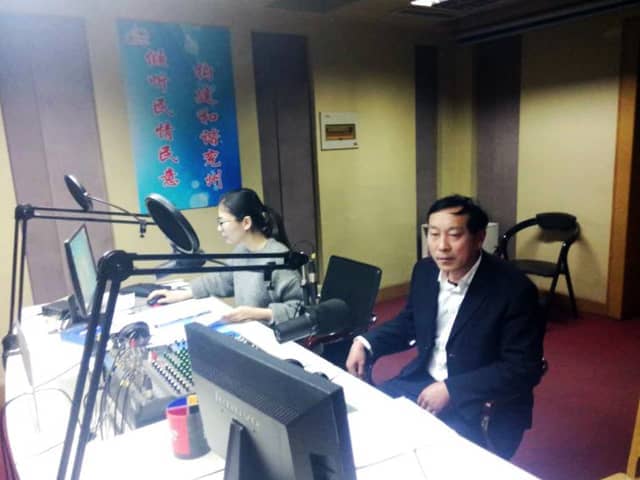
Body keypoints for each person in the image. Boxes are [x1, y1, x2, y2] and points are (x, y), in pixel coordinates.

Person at [345, 194, 545, 459]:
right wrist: (365, 342)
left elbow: (523, 368)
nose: (441, 247)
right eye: (434, 234)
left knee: (431, 461)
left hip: (475, 402)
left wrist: (453, 389)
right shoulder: (425, 271)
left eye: (454, 235)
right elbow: (410, 321)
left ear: (479, 237)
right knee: (361, 429)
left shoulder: (514, 289)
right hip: (419, 381)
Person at [147, 188, 304, 326]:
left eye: (222, 222)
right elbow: (221, 280)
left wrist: (257, 314)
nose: (219, 228)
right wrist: (180, 295)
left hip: (277, 341)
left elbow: (299, 310)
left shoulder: (280, 258)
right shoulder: (242, 251)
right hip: (251, 333)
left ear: (246, 222)